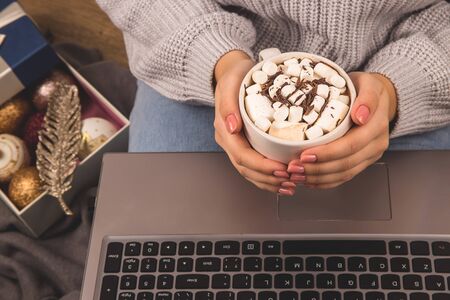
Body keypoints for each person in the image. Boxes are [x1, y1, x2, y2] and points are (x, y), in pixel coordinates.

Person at [97, 0, 450, 196]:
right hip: (190, 46)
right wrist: (216, 57)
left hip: (417, 73)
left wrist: (397, 86)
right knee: (163, 248)